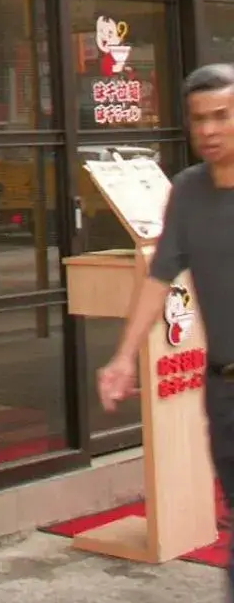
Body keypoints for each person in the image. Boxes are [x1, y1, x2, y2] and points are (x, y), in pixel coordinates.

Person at [98, 63, 234, 596]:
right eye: (199, 119)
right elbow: (159, 277)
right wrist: (122, 357)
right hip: (223, 388)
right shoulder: (188, 191)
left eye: (222, 116)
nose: (210, 130)